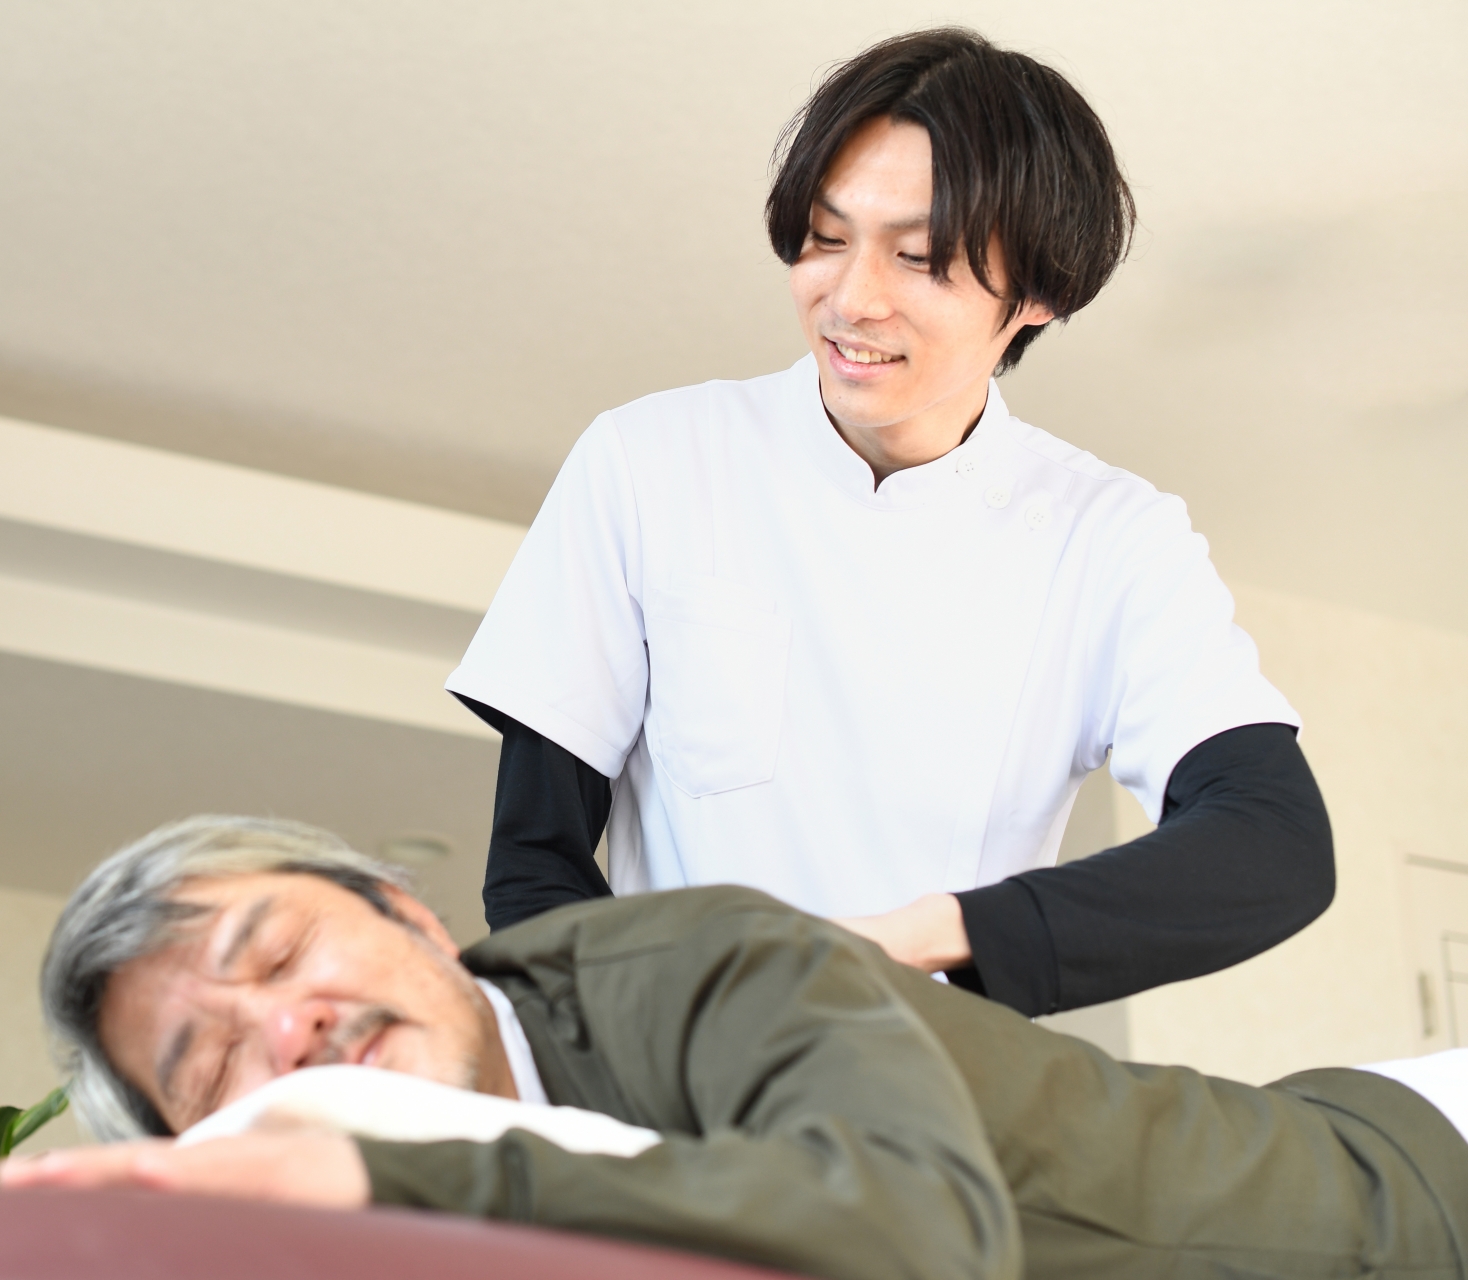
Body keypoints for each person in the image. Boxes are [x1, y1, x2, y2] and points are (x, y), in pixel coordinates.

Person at [446, 27, 1334, 1017]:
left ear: (1040, 293)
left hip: (938, 1071)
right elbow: (535, 870)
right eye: (827, 239)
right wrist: (634, 1046)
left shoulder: (1113, 539)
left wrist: (898, 944)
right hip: (670, 1058)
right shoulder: (649, 460)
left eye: (919, 258)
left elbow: (1274, 843)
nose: (851, 299)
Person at [0, 817, 1468, 1280]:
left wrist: (379, 1177)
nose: (286, 1027)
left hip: (1411, 1184)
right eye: (210, 1063)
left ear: (410, 914)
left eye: (276, 954)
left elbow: (917, 1234)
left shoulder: (693, 955)